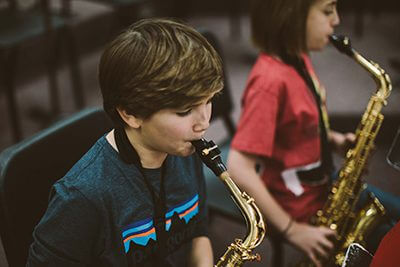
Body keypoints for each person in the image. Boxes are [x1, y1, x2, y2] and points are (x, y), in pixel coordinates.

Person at [27, 18, 224, 267]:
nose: (204, 123)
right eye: (184, 111)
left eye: (208, 100)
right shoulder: (82, 197)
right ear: (130, 113)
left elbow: (198, 230)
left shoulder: (188, 148)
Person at [227, 0, 364, 266]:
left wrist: (333, 139)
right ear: (291, 16)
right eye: (327, 10)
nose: (336, 20)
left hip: (319, 184)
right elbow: (238, 167)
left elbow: (297, 125)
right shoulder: (269, 82)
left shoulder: (298, 58)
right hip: (294, 205)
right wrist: (293, 229)